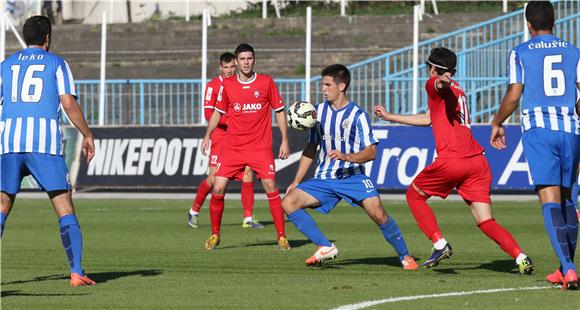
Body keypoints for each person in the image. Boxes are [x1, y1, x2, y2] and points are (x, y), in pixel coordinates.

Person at [375, 47, 534, 274]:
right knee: (485, 220)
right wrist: (390, 117)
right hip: (477, 162)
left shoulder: (434, 84)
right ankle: (521, 257)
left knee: (414, 196)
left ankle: (440, 244)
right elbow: (430, 118)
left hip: (453, 159)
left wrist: (441, 81)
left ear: (432, 68)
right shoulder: (459, 90)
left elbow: (437, 85)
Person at [282, 64, 419, 270]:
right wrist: (296, 181)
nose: (323, 89)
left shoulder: (358, 115)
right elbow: (311, 148)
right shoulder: (317, 113)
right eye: (322, 85)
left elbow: (371, 152)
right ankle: (325, 246)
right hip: (325, 177)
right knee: (288, 203)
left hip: (353, 176)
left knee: (378, 213)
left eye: (327, 85)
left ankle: (405, 256)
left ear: (342, 86)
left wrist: (346, 156)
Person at [0, 16, 96, 286]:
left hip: (9, 144)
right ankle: (76, 271)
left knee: (2, 206)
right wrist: (87, 134)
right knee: (64, 206)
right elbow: (68, 103)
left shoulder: (5, 66)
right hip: (43, 145)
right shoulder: (57, 64)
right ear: (48, 38)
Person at [490, 1, 579, 289]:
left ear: (528, 24)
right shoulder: (574, 51)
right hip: (570, 130)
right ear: (555, 21)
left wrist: (497, 121)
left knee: (549, 199)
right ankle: (564, 265)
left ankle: (568, 269)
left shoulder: (520, 52)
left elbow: (515, 94)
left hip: (540, 131)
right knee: (567, 199)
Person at [201, 43, 290, 250]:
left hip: (260, 148)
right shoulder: (228, 85)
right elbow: (217, 112)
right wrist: (207, 136)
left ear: (254, 60)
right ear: (236, 61)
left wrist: (285, 139)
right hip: (233, 148)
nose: (246, 62)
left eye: (249, 58)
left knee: (271, 187)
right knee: (219, 186)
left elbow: (279, 110)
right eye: (242, 59)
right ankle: (215, 235)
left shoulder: (266, 82)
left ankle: (281, 236)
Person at [188, 52, 263, 229]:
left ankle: (248, 218)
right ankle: (194, 210)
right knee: (214, 178)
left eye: (232, 67)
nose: (229, 70)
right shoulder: (213, 86)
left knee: (248, 172)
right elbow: (208, 114)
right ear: (220, 67)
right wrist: (233, 121)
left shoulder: (240, 84)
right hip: (220, 137)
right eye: (226, 67)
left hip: (239, 137)